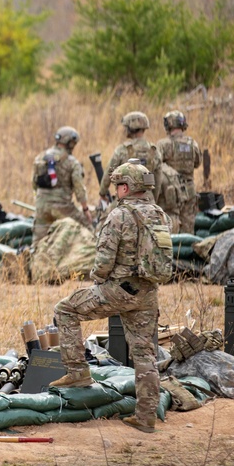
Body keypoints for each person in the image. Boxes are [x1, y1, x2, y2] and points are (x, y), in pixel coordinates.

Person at [51, 162, 171, 434]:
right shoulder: (159, 215)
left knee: (66, 310)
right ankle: (145, 417)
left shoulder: (119, 215)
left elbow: (103, 261)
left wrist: (98, 278)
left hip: (117, 290)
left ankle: (78, 372)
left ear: (126, 187)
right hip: (148, 293)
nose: (116, 190)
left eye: (118, 185)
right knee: (144, 354)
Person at [31, 126, 92, 244]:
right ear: (70, 143)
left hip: (41, 205)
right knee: (87, 229)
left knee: (38, 241)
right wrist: (85, 209)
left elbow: (34, 183)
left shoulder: (40, 157)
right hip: (62, 207)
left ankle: (32, 259)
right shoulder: (71, 162)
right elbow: (79, 188)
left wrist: (39, 201)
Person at [99, 112, 163, 203]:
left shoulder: (122, 150)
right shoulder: (154, 151)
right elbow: (158, 180)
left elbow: (108, 174)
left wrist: (102, 193)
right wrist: (153, 199)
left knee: (104, 217)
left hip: (125, 199)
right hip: (148, 199)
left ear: (130, 128)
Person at [157, 111, 201, 234]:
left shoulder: (163, 145)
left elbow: (156, 166)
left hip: (171, 193)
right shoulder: (193, 144)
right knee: (188, 229)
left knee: (170, 227)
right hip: (189, 191)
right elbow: (197, 163)